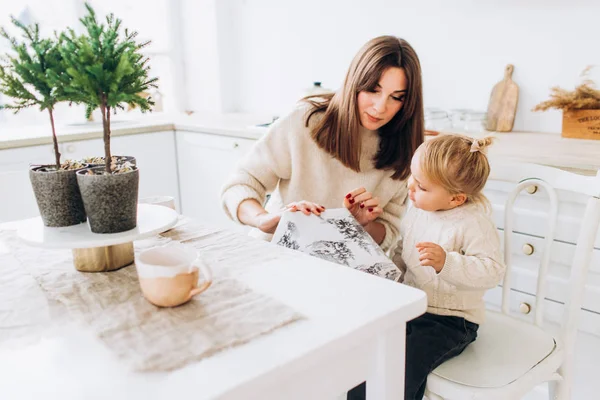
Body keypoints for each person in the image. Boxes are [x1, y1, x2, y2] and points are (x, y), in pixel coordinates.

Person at [221, 35, 424, 251]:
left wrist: (360, 224)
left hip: (341, 266)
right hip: (277, 251)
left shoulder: (405, 147)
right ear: (355, 82)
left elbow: (390, 233)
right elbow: (239, 185)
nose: (380, 107)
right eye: (373, 90)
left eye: (397, 97)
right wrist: (264, 220)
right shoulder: (306, 122)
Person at [346, 134, 506, 400]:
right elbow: (401, 251)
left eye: (421, 186)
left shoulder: (473, 223)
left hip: (450, 320)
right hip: (410, 306)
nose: (410, 187)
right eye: (412, 176)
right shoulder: (419, 209)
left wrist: (448, 263)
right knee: (368, 353)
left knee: (402, 366)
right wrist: (387, 274)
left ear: (455, 199)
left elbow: (492, 271)